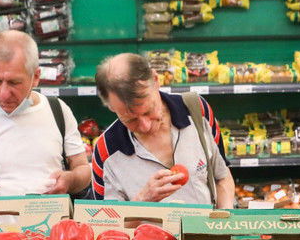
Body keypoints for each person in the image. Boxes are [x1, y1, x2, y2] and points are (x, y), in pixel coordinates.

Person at [0, 31, 90, 198]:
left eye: (14, 82)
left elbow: (83, 169)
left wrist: (70, 180)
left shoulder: (58, 111)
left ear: (36, 77)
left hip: (50, 223)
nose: (3, 94)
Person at [91, 53, 235, 209]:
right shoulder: (106, 150)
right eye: (131, 120)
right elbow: (106, 223)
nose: (146, 126)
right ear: (112, 108)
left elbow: (222, 177)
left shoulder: (196, 110)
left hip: (204, 232)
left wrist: (223, 219)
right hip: (144, 234)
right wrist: (142, 201)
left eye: (148, 111)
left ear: (156, 80)